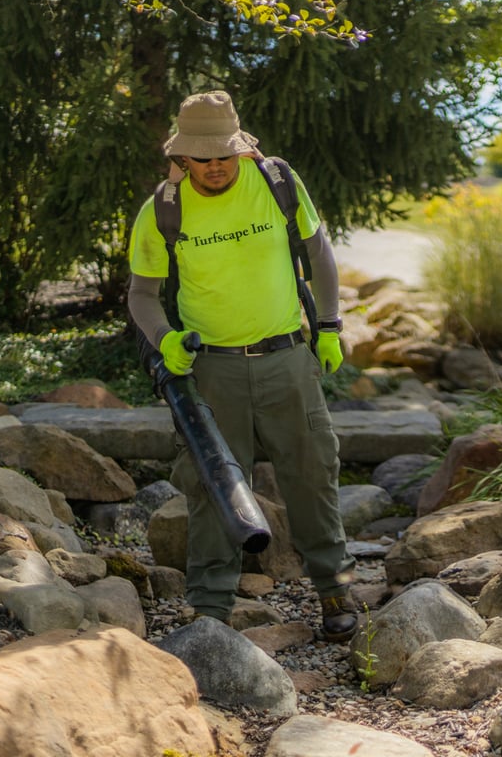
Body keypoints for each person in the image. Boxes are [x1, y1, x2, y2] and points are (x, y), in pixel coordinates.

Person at [127, 90, 358, 641]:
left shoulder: (277, 182)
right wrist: (166, 341)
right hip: (211, 371)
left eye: (223, 156)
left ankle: (334, 590)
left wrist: (327, 327)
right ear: (182, 157)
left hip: (287, 360)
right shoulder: (163, 208)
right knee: (212, 485)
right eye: (202, 158)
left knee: (313, 474)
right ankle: (210, 611)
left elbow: (319, 251)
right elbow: (141, 296)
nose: (214, 166)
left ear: (240, 149)